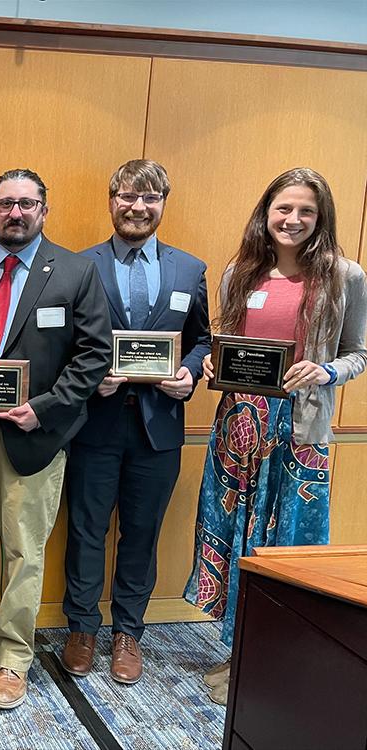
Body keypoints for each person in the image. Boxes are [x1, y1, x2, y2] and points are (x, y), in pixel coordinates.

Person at [183, 167, 367, 704]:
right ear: (267, 212)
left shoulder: (345, 276)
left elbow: (359, 352)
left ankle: (275, 656)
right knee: (236, 536)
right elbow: (225, 345)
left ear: (321, 218)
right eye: (284, 209)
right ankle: (239, 650)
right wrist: (216, 370)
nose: (293, 220)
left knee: (285, 544)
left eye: (306, 211)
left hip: (301, 432)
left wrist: (325, 371)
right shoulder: (240, 272)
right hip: (237, 429)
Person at [0, 169, 112, 709]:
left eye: (27, 204)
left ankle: (14, 654)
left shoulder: (77, 271)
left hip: (34, 437)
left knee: (23, 548)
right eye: (5, 203)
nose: (15, 213)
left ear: (44, 209)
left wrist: (44, 410)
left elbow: (93, 356)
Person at [60, 160, 211, 685]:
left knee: (142, 533)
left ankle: (129, 632)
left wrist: (189, 375)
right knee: (86, 530)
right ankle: (82, 627)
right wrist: (88, 378)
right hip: (94, 425)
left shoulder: (190, 270)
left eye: (149, 198)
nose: (138, 207)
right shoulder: (79, 266)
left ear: (163, 204)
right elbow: (63, 344)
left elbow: (202, 341)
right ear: (111, 200)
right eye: (128, 196)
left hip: (160, 427)